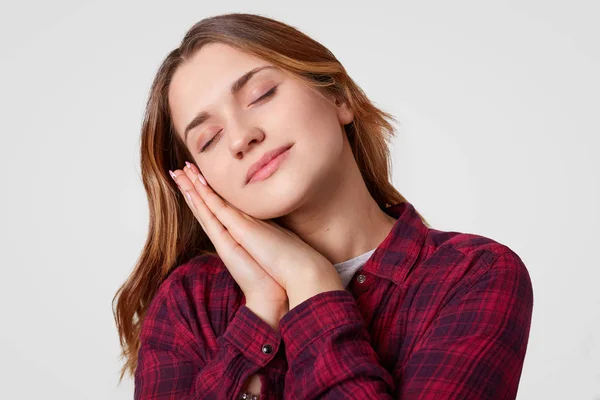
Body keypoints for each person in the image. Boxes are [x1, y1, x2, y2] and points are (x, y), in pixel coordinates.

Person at [112, 12, 534, 400]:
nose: (241, 137)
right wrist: (261, 310)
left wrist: (310, 281)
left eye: (261, 94)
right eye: (209, 139)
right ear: (202, 179)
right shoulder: (190, 303)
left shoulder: (473, 275)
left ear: (338, 99)